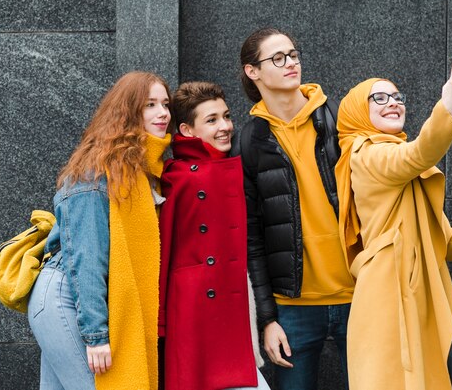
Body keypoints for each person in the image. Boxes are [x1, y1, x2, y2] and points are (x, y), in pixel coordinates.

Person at [334, 63, 452, 390]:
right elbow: (419, 154)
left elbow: (432, 238)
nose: (393, 102)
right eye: (378, 98)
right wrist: (447, 108)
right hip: (391, 294)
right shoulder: (366, 154)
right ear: (356, 113)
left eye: (397, 96)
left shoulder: (397, 160)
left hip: (426, 293)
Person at [27, 71, 172, 390]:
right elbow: (86, 257)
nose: (163, 113)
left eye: (165, 103)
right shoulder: (96, 172)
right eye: (150, 105)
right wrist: (96, 336)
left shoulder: (143, 172)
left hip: (81, 298)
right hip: (67, 296)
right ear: (127, 111)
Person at [234, 27, 354, 390]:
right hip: (293, 308)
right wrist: (267, 320)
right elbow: (251, 241)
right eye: (278, 58)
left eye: (293, 54)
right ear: (252, 72)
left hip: (360, 296)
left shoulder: (338, 119)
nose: (291, 63)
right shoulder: (249, 142)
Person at [157, 81, 269, 390]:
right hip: (196, 317)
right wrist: (161, 321)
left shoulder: (216, 170)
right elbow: (163, 253)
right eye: (212, 120)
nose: (226, 126)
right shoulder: (181, 178)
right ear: (187, 131)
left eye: (227, 116)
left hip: (222, 313)